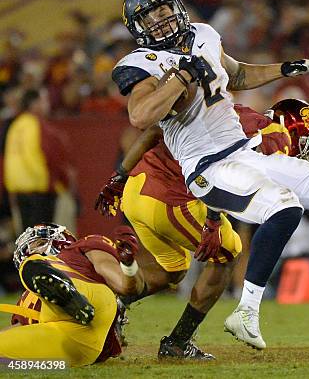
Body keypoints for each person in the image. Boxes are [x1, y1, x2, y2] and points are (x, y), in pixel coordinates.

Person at [112, 0, 309, 351]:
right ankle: (245, 311)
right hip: (207, 167)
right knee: (284, 206)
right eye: (149, 17)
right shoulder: (140, 63)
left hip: (241, 150)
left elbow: (236, 73)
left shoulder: (204, 35)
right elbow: (140, 116)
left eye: (163, 10)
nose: (160, 20)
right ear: (137, 27)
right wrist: (181, 76)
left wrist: (285, 69)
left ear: (177, 7)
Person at [95, 103, 291, 359]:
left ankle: (113, 302)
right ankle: (177, 342)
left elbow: (154, 131)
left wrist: (119, 176)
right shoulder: (260, 133)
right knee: (229, 252)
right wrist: (212, 219)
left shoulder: (218, 108)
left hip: (136, 187)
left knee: (172, 270)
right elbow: (217, 174)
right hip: (171, 198)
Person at [0, 222, 143, 366]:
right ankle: (68, 300)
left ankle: (71, 296)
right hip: (75, 343)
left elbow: (124, 286)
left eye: (39, 243)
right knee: (9, 362)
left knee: (31, 265)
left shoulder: (79, 248)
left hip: (89, 294)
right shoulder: (27, 294)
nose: (32, 251)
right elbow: (20, 329)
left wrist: (128, 266)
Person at [3, 89, 77, 232]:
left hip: (18, 191)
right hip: (40, 191)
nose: (47, 105)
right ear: (35, 104)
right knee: (42, 239)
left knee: (26, 238)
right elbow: (53, 157)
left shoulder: (15, 126)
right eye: (44, 101)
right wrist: (64, 183)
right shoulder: (40, 126)